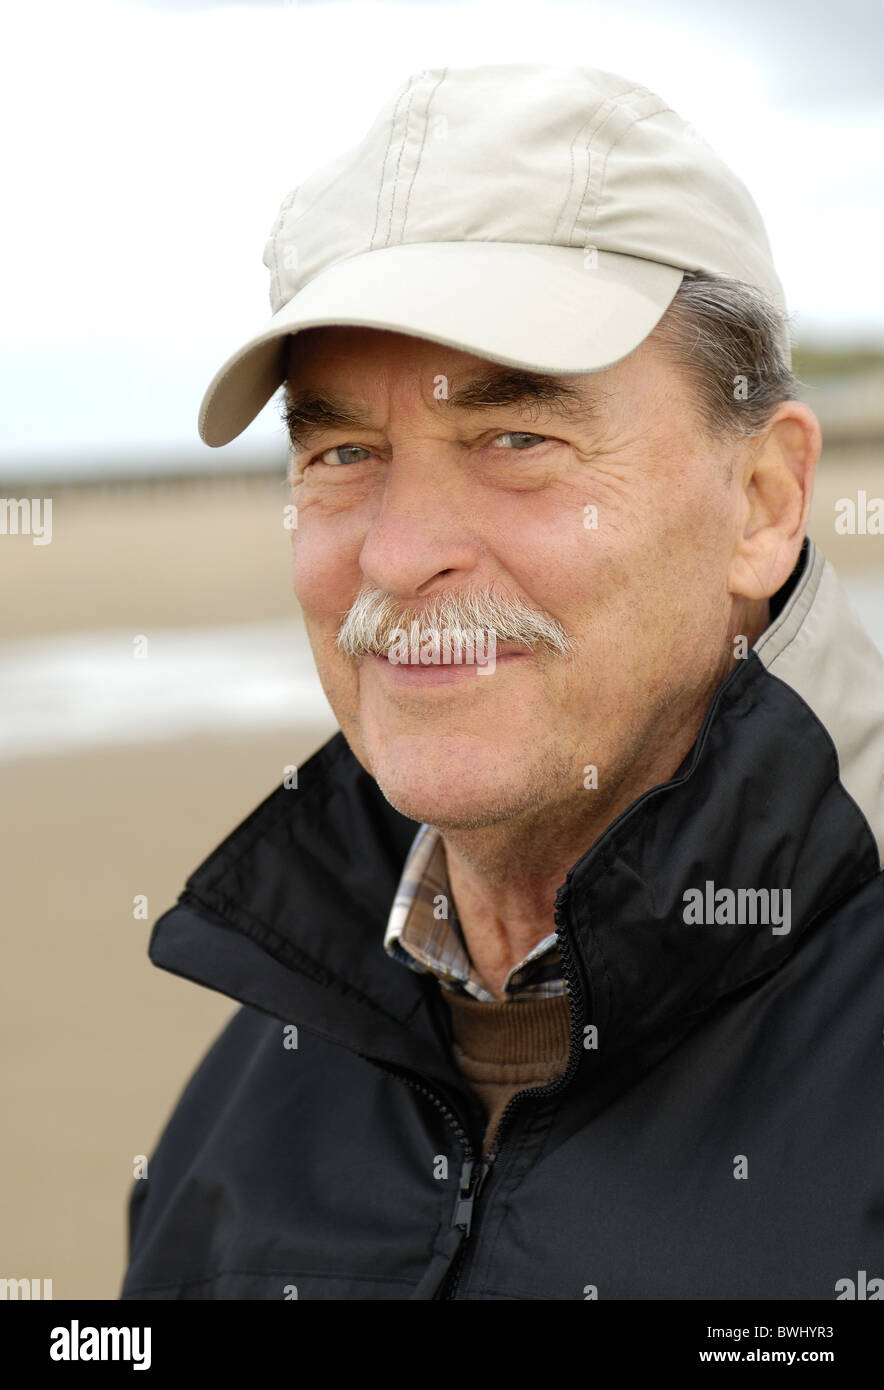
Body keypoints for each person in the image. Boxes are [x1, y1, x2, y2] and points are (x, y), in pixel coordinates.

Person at [120, 64, 884, 1301]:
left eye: (516, 439)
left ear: (762, 502)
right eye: (344, 452)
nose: (396, 551)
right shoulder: (248, 1083)